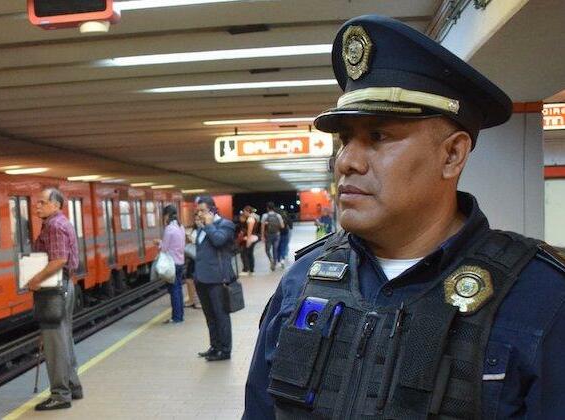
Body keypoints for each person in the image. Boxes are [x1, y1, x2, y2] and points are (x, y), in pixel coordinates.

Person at [243, 15, 565, 419]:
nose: (347, 162)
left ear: (452, 154)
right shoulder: (302, 281)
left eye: (378, 137)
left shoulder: (542, 298)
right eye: (345, 140)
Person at [28, 188, 82, 411]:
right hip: (63, 286)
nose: (37, 206)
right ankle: (72, 385)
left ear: (56, 205)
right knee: (63, 337)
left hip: (54, 288)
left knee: (54, 342)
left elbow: (59, 259)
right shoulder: (59, 223)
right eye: (37, 203)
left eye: (42, 202)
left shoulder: (54, 226)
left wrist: (35, 279)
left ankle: (60, 394)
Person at [193, 195, 236, 361]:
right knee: (209, 316)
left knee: (221, 315)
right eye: (198, 211)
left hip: (218, 278)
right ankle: (214, 346)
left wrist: (208, 225)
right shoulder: (203, 227)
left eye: (202, 211)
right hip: (201, 278)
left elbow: (218, 241)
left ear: (212, 210)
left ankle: (225, 350)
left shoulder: (226, 225)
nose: (199, 214)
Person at [156, 204, 186, 323]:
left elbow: (164, 248)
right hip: (180, 262)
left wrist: (159, 242)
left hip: (172, 264)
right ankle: (180, 315)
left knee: (174, 290)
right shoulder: (180, 227)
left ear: (167, 215)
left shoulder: (169, 229)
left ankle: (177, 317)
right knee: (178, 289)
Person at [260, 202, 284, 271]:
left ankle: (271, 260)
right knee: (275, 250)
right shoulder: (278, 215)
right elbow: (282, 226)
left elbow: (262, 227)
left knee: (267, 250)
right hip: (277, 234)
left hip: (268, 235)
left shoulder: (265, 216)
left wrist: (262, 236)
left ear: (267, 208)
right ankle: (275, 263)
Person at [242, 205, 259, 275]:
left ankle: (248, 270)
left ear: (248, 211)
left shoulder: (250, 219)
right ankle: (251, 270)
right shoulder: (254, 217)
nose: (243, 213)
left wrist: (248, 240)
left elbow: (250, 230)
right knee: (249, 254)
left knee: (245, 254)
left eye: (244, 211)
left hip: (251, 238)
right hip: (253, 237)